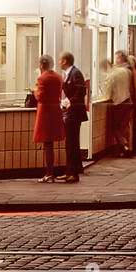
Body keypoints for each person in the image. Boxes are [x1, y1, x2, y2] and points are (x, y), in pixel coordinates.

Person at [33, 55, 64, 182]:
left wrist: (34, 91)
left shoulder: (42, 78)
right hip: (55, 111)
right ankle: (50, 172)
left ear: (41, 65)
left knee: (47, 143)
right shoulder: (58, 77)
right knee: (50, 142)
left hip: (45, 113)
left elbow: (40, 96)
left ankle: (49, 173)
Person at [59, 52, 88, 183]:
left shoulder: (75, 73)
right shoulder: (70, 74)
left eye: (60, 60)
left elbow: (81, 90)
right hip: (70, 111)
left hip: (74, 112)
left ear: (65, 61)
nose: (59, 62)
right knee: (71, 143)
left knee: (72, 143)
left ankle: (73, 173)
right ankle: (71, 171)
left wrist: (71, 102)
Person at [107, 52, 136, 156]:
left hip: (119, 102)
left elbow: (108, 89)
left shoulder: (115, 73)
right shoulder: (128, 71)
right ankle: (127, 148)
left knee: (115, 126)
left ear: (120, 59)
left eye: (117, 58)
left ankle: (124, 146)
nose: (115, 60)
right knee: (125, 126)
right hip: (129, 101)